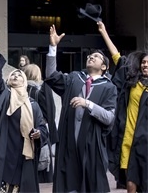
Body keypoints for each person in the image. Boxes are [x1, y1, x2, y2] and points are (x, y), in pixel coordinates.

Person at [45, 25, 117, 193]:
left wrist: (88, 104)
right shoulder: (74, 78)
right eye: (90, 55)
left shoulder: (108, 87)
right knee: (69, 185)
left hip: (91, 145)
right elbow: (51, 76)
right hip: (69, 142)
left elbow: (109, 117)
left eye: (96, 57)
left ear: (104, 66)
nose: (91, 57)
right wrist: (53, 47)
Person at [0, 23, 47, 193]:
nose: (15, 75)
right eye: (13, 75)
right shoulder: (4, 96)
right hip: (4, 151)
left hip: (24, 154)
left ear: (25, 82)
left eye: (19, 75)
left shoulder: (33, 105)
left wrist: (38, 133)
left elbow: (43, 128)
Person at [98, 21, 148, 192]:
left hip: (146, 141)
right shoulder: (132, 82)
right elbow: (117, 57)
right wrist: (104, 32)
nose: (145, 65)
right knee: (130, 178)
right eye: (143, 62)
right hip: (128, 137)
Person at [23, 63, 58, 183]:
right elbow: (50, 112)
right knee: (42, 169)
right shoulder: (42, 89)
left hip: (22, 131)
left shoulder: (18, 90)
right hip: (40, 131)